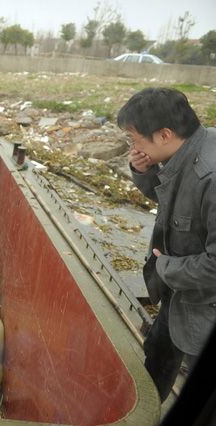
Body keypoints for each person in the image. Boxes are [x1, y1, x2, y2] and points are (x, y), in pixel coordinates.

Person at [117, 87, 216, 402]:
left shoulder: (210, 177)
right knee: (157, 356)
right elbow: (169, 199)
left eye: (134, 139)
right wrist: (143, 171)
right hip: (177, 292)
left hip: (205, 306)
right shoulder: (186, 150)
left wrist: (165, 266)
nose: (132, 147)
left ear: (164, 134)